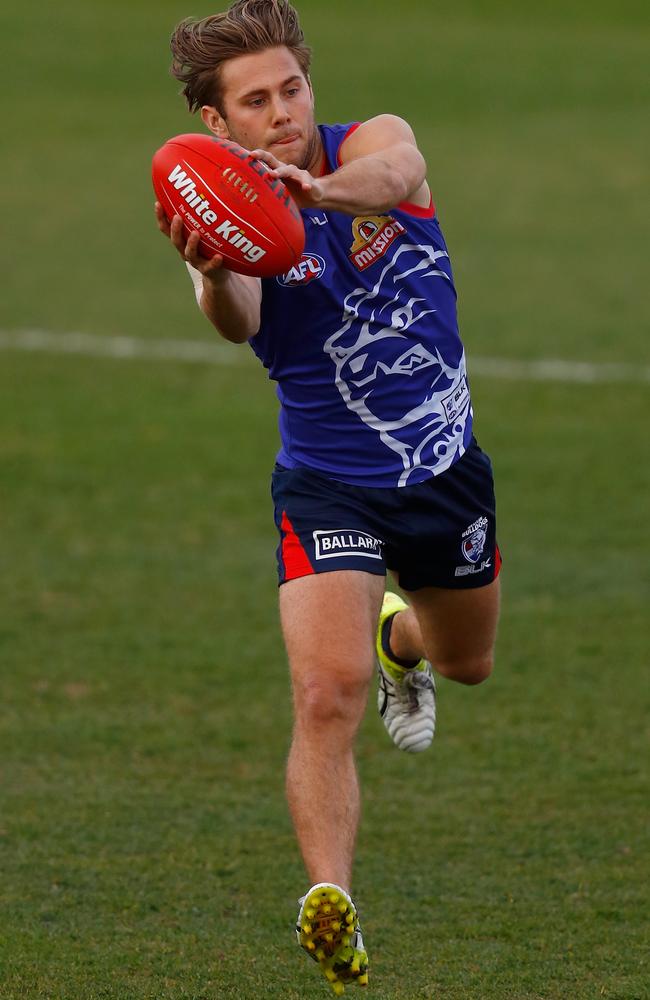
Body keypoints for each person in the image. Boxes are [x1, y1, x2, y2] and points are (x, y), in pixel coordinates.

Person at [155, 1, 501, 993]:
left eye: (291, 88)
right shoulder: (223, 220)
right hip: (324, 484)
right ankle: (331, 903)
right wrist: (214, 267)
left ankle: (406, 643)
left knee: (467, 662)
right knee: (324, 692)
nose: (281, 113)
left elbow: (394, 177)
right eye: (254, 101)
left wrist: (319, 191)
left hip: (444, 474)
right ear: (215, 123)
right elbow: (235, 321)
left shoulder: (373, 148)